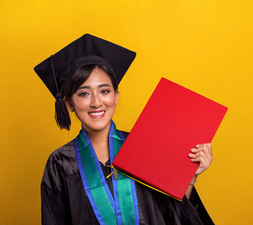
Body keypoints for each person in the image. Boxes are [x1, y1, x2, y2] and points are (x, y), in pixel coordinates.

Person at [35, 34, 215, 225]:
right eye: (84, 93)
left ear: (116, 96)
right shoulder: (60, 163)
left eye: (104, 91)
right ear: (69, 103)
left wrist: (190, 177)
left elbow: (172, 214)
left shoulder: (143, 145)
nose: (97, 102)